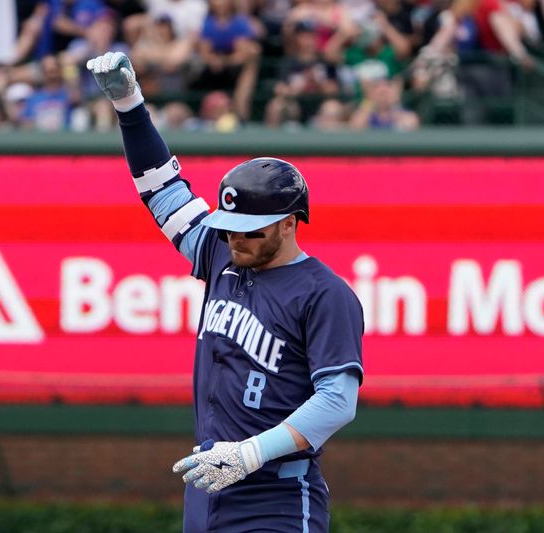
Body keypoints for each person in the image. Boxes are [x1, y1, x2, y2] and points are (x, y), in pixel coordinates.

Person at [86, 51, 363, 533]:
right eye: (230, 226)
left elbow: (338, 401)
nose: (237, 237)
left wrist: (251, 453)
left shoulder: (324, 293)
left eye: (251, 229)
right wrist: (130, 106)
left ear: (290, 223)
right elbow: (163, 190)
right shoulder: (220, 253)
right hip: (207, 489)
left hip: (276, 495)